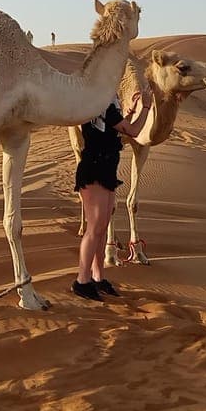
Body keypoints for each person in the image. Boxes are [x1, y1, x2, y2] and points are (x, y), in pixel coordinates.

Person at [72, 89, 153, 301]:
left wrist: (131, 111)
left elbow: (114, 129)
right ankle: (82, 281)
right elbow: (133, 131)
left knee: (102, 226)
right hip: (94, 169)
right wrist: (145, 107)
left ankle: (98, 278)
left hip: (106, 169)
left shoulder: (108, 102)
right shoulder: (100, 102)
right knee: (94, 228)